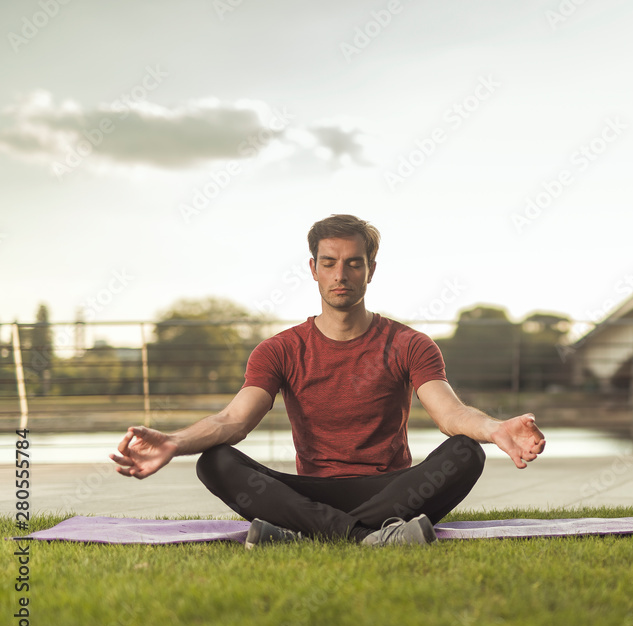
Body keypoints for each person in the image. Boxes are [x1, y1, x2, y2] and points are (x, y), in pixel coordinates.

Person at [110, 214, 546, 548]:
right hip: (310, 490)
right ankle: (365, 536)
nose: (341, 275)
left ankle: (306, 533)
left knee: (466, 453)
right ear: (314, 268)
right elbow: (232, 421)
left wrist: (494, 429)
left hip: (390, 488)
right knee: (215, 460)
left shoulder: (410, 344)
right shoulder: (278, 350)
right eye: (330, 263)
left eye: (354, 264)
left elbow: (450, 414)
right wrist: (173, 441)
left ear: (370, 270)